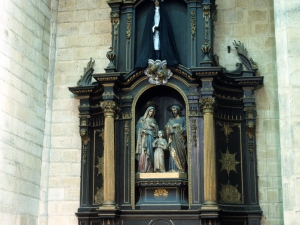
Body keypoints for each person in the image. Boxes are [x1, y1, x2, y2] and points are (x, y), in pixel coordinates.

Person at [134, 0, 181, 70]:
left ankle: (160, 57)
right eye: (155, 1)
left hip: (161, 32)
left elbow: (165, 24)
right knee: (155, 43)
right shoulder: (151, 12)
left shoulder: (163, 12)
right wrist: (153, 27)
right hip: (154, 32)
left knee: (160, 43)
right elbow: (148, 25)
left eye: (157, 1)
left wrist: (160, 27)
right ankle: (156, 57)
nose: (156, 3)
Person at [136, 106, 159, 172]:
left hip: (150, 138)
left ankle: (149, 168)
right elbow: (137, 128)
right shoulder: (142, 119)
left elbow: (157, 133)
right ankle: (142, 168)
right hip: (143, 138)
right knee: (143, 153)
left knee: (150, 153)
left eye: (153, 112)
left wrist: (155, 127)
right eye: (150, 111)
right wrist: (142, 131)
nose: (151, 113)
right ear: (147, 111)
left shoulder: (153, 120)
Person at [165, 105, 186, 172]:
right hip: (173, 139)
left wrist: (179, 127)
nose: (174, 112)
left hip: (180, 139)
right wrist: (168, 127)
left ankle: (180, 169)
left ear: (178, 110)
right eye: (172, 111)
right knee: (172, 153)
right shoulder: (171, 120)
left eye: (175, 110)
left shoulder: (183, 119)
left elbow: (186, 129)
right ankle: (172, 169)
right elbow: (167, 129)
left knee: (180, 154)